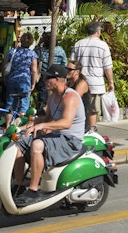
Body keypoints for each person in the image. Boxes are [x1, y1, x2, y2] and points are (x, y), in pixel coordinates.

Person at [12, 64, 85, 206]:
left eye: (47, 78)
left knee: (37, 145)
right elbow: (46, 119)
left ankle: (33, 190)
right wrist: (21, 128)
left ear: (57, 79)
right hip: (57, 138)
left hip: (70, 140)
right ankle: (19, 185)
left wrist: (42, 126)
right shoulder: (52, 97)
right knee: (19, 144)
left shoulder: (70, 97)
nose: (44, 80)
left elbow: (66, 123)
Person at [71, 21, 114, 132]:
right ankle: (91, 131)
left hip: (79, 83)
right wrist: (111, 82)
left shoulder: (78, 44)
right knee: (92, 110)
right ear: (98, 31)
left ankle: (79, 130)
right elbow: (107, 67)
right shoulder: (103, 45)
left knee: (78, 108)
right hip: (96, 84)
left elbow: (72, 64)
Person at [3, 32, 39, 116]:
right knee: (24, 105)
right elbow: (34, 70)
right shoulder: (32, 54)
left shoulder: (12, 52)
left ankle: (8, 125)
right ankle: (20, 126)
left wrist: (5, 79)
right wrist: (33, 83)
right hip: (25, 81)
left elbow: (4, 65)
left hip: (12, 79)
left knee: (10, 104)